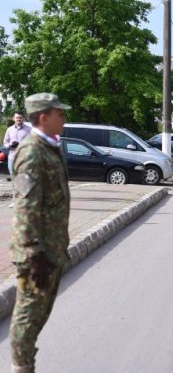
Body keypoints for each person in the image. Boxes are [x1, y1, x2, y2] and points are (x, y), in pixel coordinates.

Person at [9, 93, 71, 373]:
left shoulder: (49, 147)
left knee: (39, 315)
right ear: (44, 117)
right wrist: (34, 254)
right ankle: (21, 368)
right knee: (27, 316)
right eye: (60, 113)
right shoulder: (32, 151)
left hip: (50, 249)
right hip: (37, 254)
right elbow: (25, 207)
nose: (64, 118)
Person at [3, 110, 32, 177]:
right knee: (13, 175)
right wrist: (9, 145)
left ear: (23, 118)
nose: (19, 119)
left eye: (20, 117)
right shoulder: (9, 129)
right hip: (12, 156)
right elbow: (5, 142)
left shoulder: (29, 129)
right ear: (14, 118)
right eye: (17, 117)